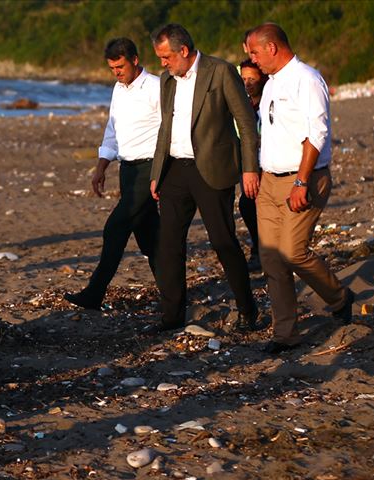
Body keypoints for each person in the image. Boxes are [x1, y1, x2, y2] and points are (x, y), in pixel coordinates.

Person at [245, 23, 354, 353]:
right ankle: (286, 335)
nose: (250, 59)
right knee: (271, 259)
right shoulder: (271, 83)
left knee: (293, 252)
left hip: (303, 178)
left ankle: (339, 297)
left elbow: (316, 134)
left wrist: (301, 181)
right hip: (269, 181)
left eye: (254, 52)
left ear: (272, 48)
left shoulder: (306, 78)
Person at [149, 24, 260, 332]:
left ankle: (247, 310)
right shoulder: (166, 80)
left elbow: (246, 122)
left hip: (212, 168)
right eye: (160, 58)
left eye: (166, 56)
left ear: (183, 50)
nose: (163, 63)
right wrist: (157, 172)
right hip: (174, 170)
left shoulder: (221, 71)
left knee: (223, 242)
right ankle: (172, 317)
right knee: (168, 245)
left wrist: (249, 168)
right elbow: (165, 127)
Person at [64, 38, 160, 310]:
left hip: (149, 167)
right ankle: (172, 295)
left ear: (135, 60)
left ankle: (94, 293)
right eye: (112, 68)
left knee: (115, 227)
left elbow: (170, 131)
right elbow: (112, 131)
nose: (117, 72)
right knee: (149, 238)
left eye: (120, 66)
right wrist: (100, 167)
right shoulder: (118, 89)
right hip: (127, 170)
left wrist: (163, 174)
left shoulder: (156, 88)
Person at [238, 58, 269, 271]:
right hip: (248, 163)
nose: (247, 83)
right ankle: (258, 248)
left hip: (269, 162)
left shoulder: (269, 101)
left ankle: (264, 251)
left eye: (252, 78)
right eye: (244, 79)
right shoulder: (242, 104)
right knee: (247, 205)